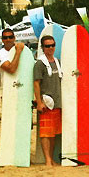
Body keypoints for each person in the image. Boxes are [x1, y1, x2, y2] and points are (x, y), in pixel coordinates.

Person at [33, 34, 62, 166]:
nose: (50, 48)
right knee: (46, 133)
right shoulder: (40, 63)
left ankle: (51, 158)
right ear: (43, 48)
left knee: (54, 133)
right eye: (47, 46)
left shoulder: (57, 61)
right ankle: (48, 160)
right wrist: (39, 102)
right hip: (47, 102)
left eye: (52, 45)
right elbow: (36, 83)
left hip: (57, 102)